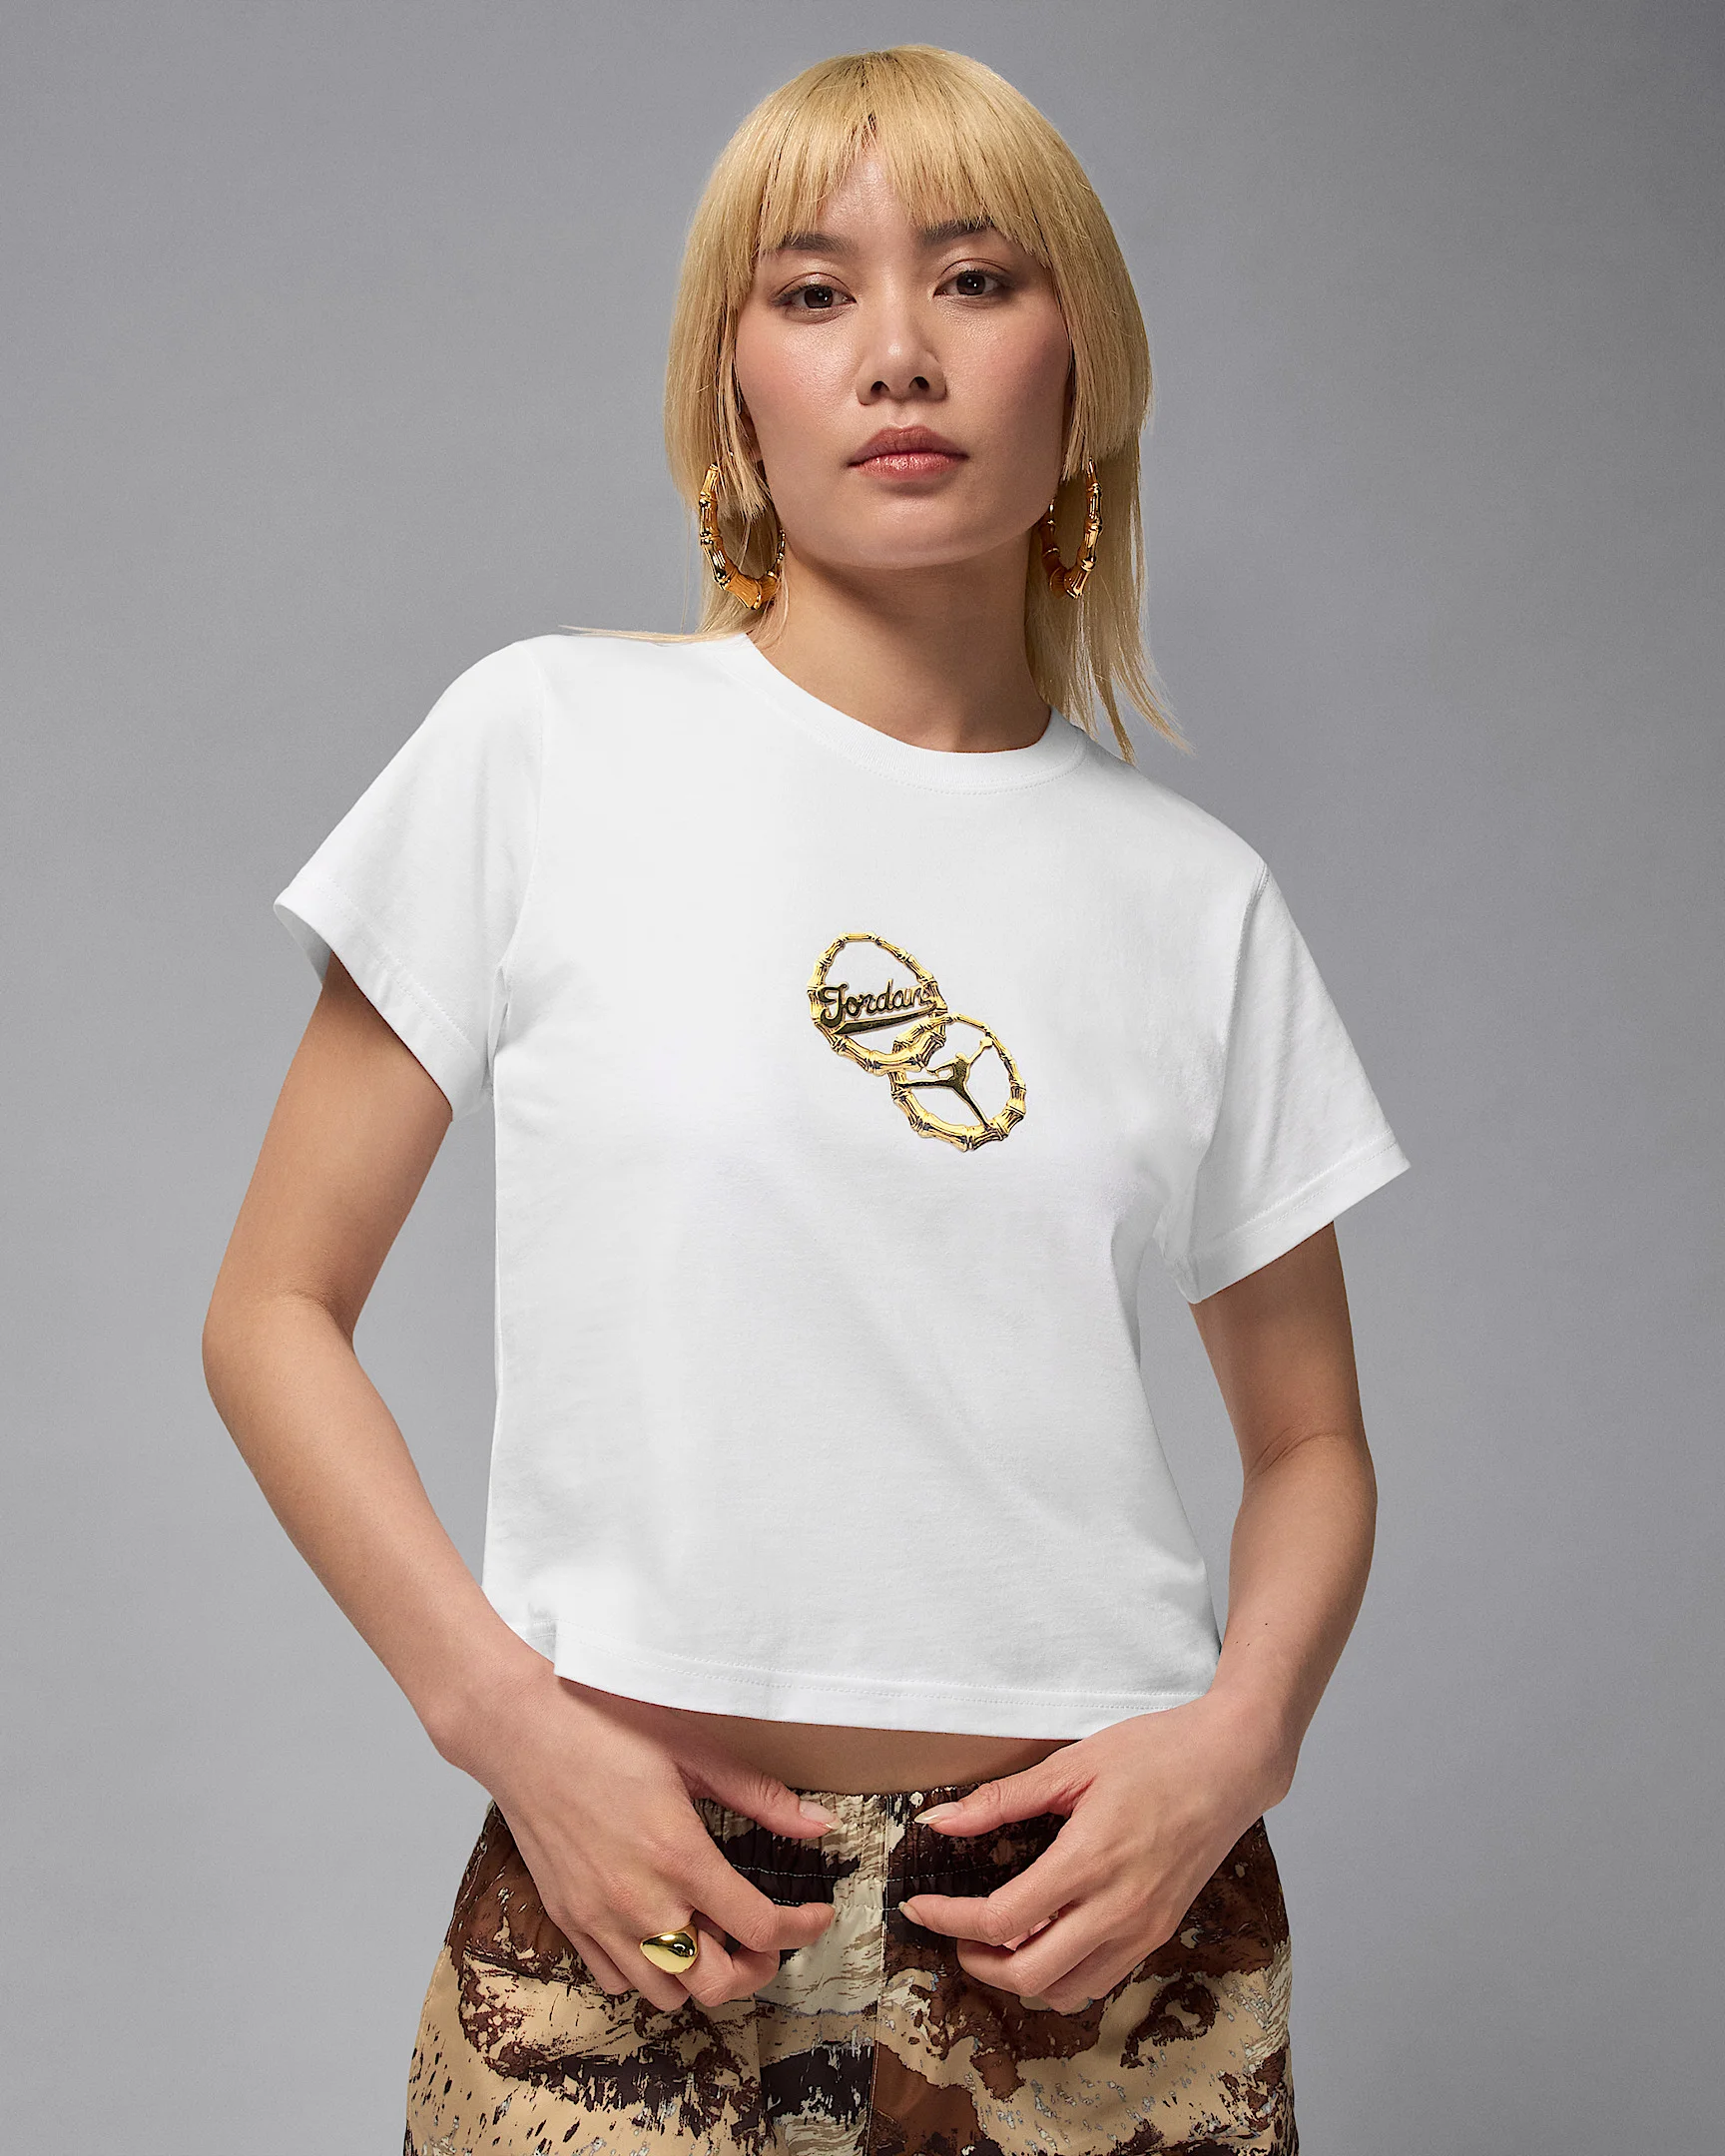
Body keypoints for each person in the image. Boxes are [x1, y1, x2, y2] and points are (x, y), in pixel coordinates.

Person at [203, 44, 1408, 2156]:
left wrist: (1241, 1747)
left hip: (1093, 1927)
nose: (899, 352)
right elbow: (269, 1313)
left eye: (976, 278)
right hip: (639, 1896)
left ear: (1082, 378)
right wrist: (506, 1726)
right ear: (730, 389)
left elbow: (1309, 1443)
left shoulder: (1195, 899)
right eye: (815, 291)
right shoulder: (545, 746)